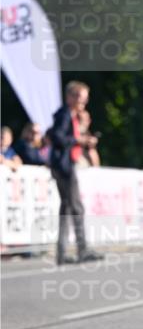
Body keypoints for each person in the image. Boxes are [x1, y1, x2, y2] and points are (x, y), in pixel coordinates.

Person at [49, 81, 103, 265]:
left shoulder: (68, 115)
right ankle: (82, 249)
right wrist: (78, 140)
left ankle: (62, 252)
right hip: (64, 166)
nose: (84, 102)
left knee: (66, 208)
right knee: (76, 207)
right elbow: (57, 137)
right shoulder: (65, 115)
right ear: (70, 97)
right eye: (81, 97)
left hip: (63, 164)